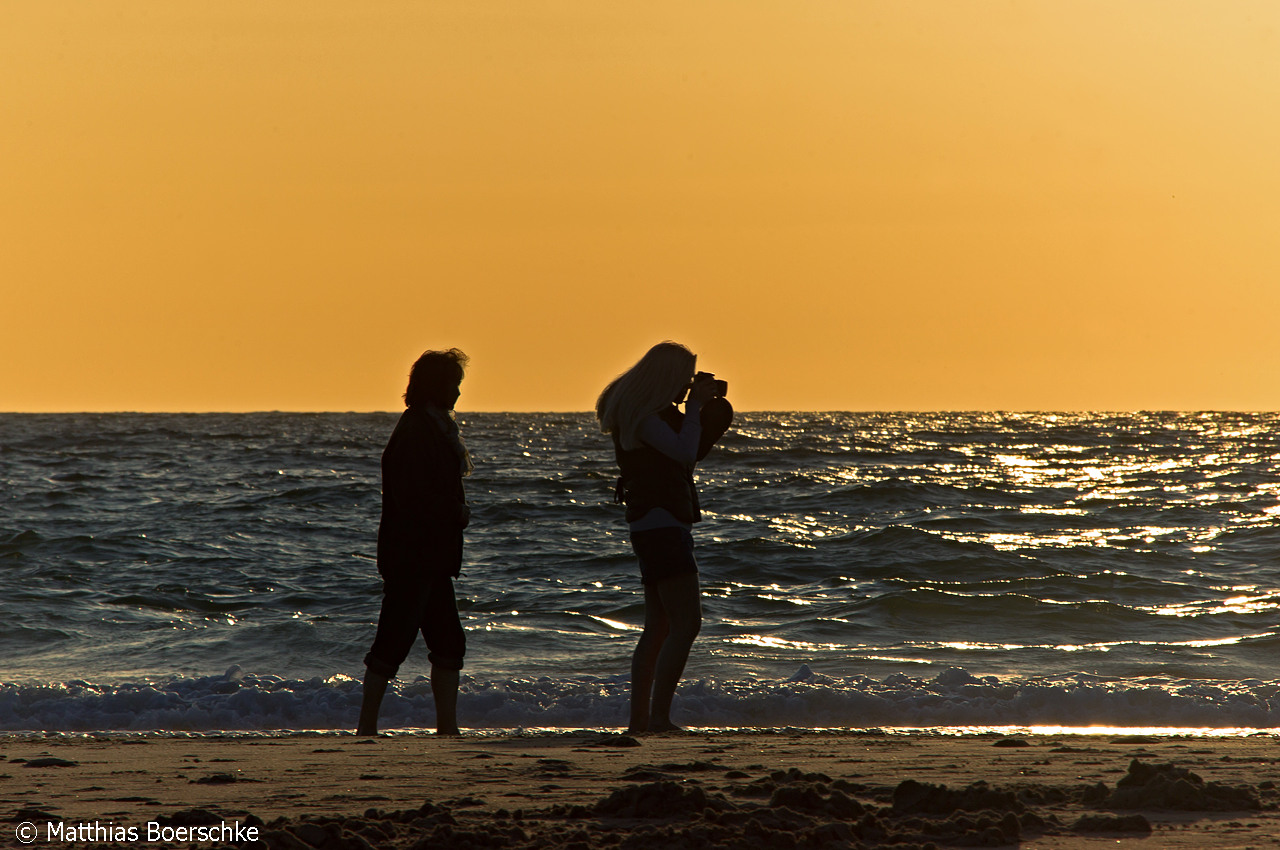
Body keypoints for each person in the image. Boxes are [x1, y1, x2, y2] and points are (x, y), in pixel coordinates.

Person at [596, 341, 732, 733]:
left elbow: (688, 450)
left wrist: (699, 412)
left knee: (658, 625)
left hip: (654, 524)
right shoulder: (645, 418)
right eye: (685, 378)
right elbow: (684, 452)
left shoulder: (645, 415)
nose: (687, 386)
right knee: (686, 622)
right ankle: (657, 718)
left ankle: (642, 720)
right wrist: (693, 410)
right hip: (661, 525)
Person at [357, 348, 473, 736]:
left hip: (430, 558)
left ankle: (447, 726)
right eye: (454, 385)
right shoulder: (417, 431)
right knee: (393, 641)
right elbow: (415, 496)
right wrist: (454, 513)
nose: (458, 393)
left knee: (447, 644)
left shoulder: (429, 427)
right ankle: (366, 727)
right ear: (436, 387)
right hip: (414, 557)